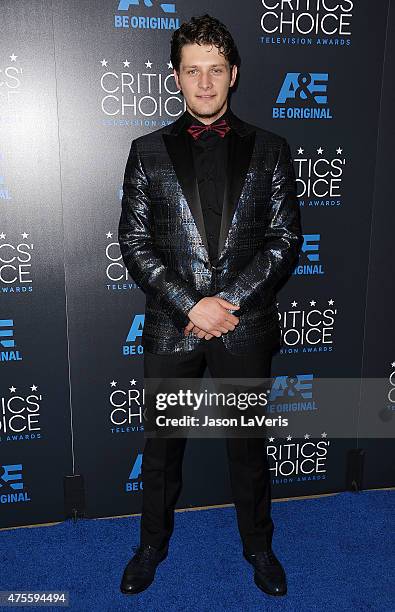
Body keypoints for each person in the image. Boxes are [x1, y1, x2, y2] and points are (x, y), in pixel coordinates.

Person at [118, 13, 303, 597]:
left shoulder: (271, 150)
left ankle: (259, 546)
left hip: (243, 327)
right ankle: (151, 546)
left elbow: (283, 238)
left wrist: (228, 302)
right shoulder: (146, 152)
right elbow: (134, 241)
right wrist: (189, 306)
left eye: (215, 70)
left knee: (248, 450)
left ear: (234, 75)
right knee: (161, 450)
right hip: (174, 329)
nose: (204, 82)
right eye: (193, 71)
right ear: (176, 77)